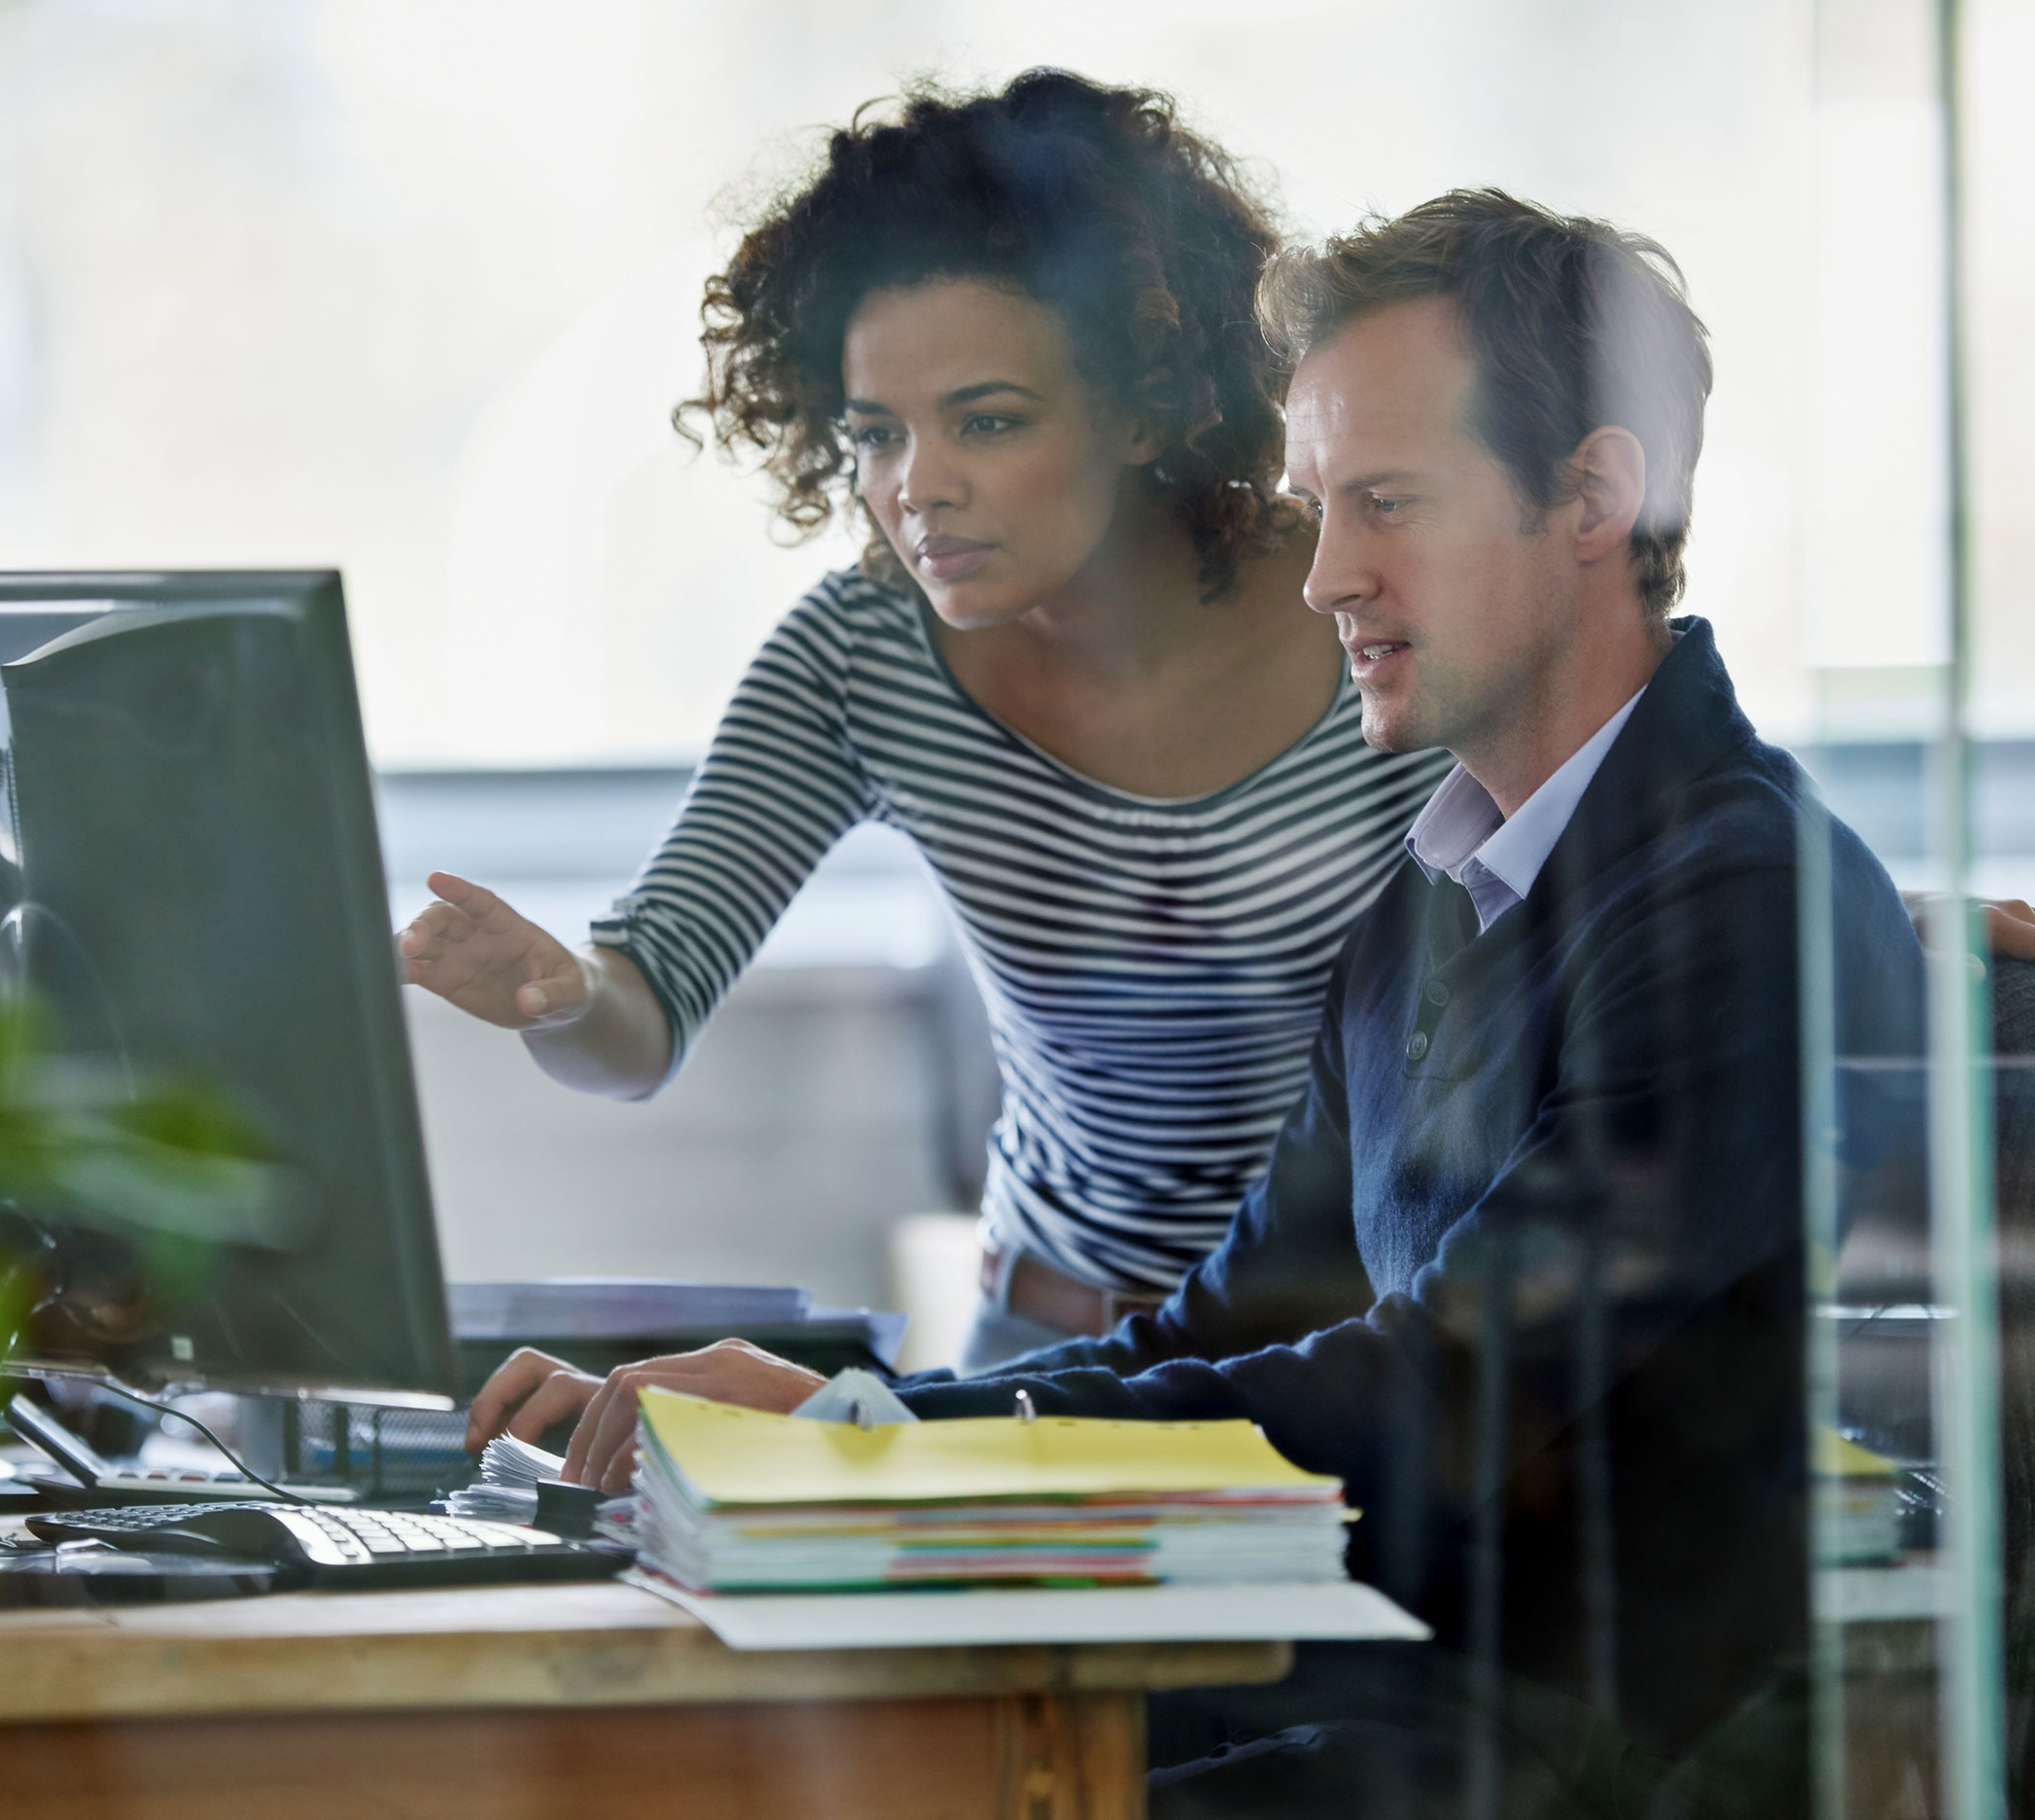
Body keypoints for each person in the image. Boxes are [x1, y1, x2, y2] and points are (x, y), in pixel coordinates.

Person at [469, 191, 1928, 1814]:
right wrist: (845, 1415)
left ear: (1592, 493)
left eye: (1385, 504)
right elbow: (1227, 1323)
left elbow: (1435, 1392)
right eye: (1317, 507)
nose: (1326, 579)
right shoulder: (1435, 897)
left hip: (1596, 1760)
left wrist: (883, 1442)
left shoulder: (1739, 893)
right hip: (1393, 1688)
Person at [401, 72, 1450, 1372]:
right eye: (876, 436)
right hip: (1050, 1344)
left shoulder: (1365, 600)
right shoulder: (862, 655)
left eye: (987, 423)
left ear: (1143, 404)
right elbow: (644, 1009)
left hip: (1343, 1354)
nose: (918, 491)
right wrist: (555, 998)